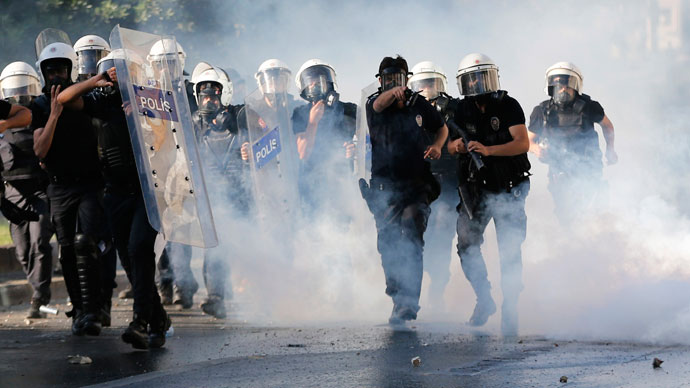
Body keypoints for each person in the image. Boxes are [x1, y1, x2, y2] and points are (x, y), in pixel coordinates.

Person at [57, 49, 171, 349]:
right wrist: (96, 81)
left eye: (122, 70)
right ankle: (157, 318)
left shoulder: (152, 100)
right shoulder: (103, 103)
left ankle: (140, 323)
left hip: (149, 191)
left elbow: (170, 139)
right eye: (112, 71)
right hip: (117, 194)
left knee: (140, 250)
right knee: (131, 262)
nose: (116, 76)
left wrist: (144, 117)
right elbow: (64, 99)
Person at [448, 53, 531, 336]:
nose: (477, 83)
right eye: (471, 78)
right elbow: (447, 145)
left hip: (509, 186)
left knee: (510, 248)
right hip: (476, 189)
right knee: (467, 244)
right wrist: (458, 146)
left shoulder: (508, 105)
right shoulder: (459, 110)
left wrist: (489, 150)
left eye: (481, 77)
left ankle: (511, 305)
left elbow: (522, 143)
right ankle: (484, 299)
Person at [362, 55, 448, 325]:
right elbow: (378, 104)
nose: (394, 83)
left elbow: (442, 127)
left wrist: (437, 146)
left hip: (416, 185)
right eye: (388, 79)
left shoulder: (418, 104)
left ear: (406, 78)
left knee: (412, 239)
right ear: (381, 80)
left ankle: (408, 303)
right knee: (388, 243)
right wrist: (392, 93)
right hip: (385, 188)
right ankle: (397, 294)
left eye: (398, 78)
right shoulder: (374, 104)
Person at [31, 37, 105, 336]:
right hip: (59, 187)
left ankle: (94, 310)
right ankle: (79, 310)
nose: (56, 76)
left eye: (62, 69)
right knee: (66, 250)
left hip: (89, 183)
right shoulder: (39, 105)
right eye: (51, 71)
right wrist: (53, 115)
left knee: (86, 242)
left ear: (71, 69)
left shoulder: (84, 101)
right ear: (43, 73)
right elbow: (40, 149)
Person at [184, 61, 250, 318]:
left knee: (242, 244)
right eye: (204, 95)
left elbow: (266, 139)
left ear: (226, 94)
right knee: (214, 245)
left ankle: (263, 289)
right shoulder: (192, 123)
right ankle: (216, 296)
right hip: (211, 195)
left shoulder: (241, 116)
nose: (209, 100)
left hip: (240, 191)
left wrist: (250, 151)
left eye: (214, 95)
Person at [527, 62, 617, 224]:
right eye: (559, 85)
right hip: (559, 170)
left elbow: (607, 126)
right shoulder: (541, 111)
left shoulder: (589, 107)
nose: (563, 89)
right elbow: (528, 141)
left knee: (591, 211)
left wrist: (610, 149)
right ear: (551, 87)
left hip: (588, 166)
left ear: (575, 86)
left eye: (567, 85)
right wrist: (536, 149)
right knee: (566, 215)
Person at [0, 64, 53, 319]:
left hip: (40, 191)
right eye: (14, 90)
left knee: (40, 242)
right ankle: (38, 290)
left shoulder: (40, 116)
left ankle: (39, 297)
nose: (19, 95)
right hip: (13, 192)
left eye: (24, 89)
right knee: (22, 251)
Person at [408, 61, 458, 312]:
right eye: (422, 85)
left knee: (443, 235)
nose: (427, 90)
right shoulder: (407, 113)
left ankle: (437, 289)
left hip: (447, 182)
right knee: (417, 236)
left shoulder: (453, 111)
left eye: (432, 84)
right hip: (419, 183)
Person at [291, 59, 357, 213]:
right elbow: (303, 153)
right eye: (310, 81)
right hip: (311, 184)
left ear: (329, 81)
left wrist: (355, 149)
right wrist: (312, 122)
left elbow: (367, 143)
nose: (315, 84)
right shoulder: (300, 113)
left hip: (342, 183)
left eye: (319, 79)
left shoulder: (349, 110)